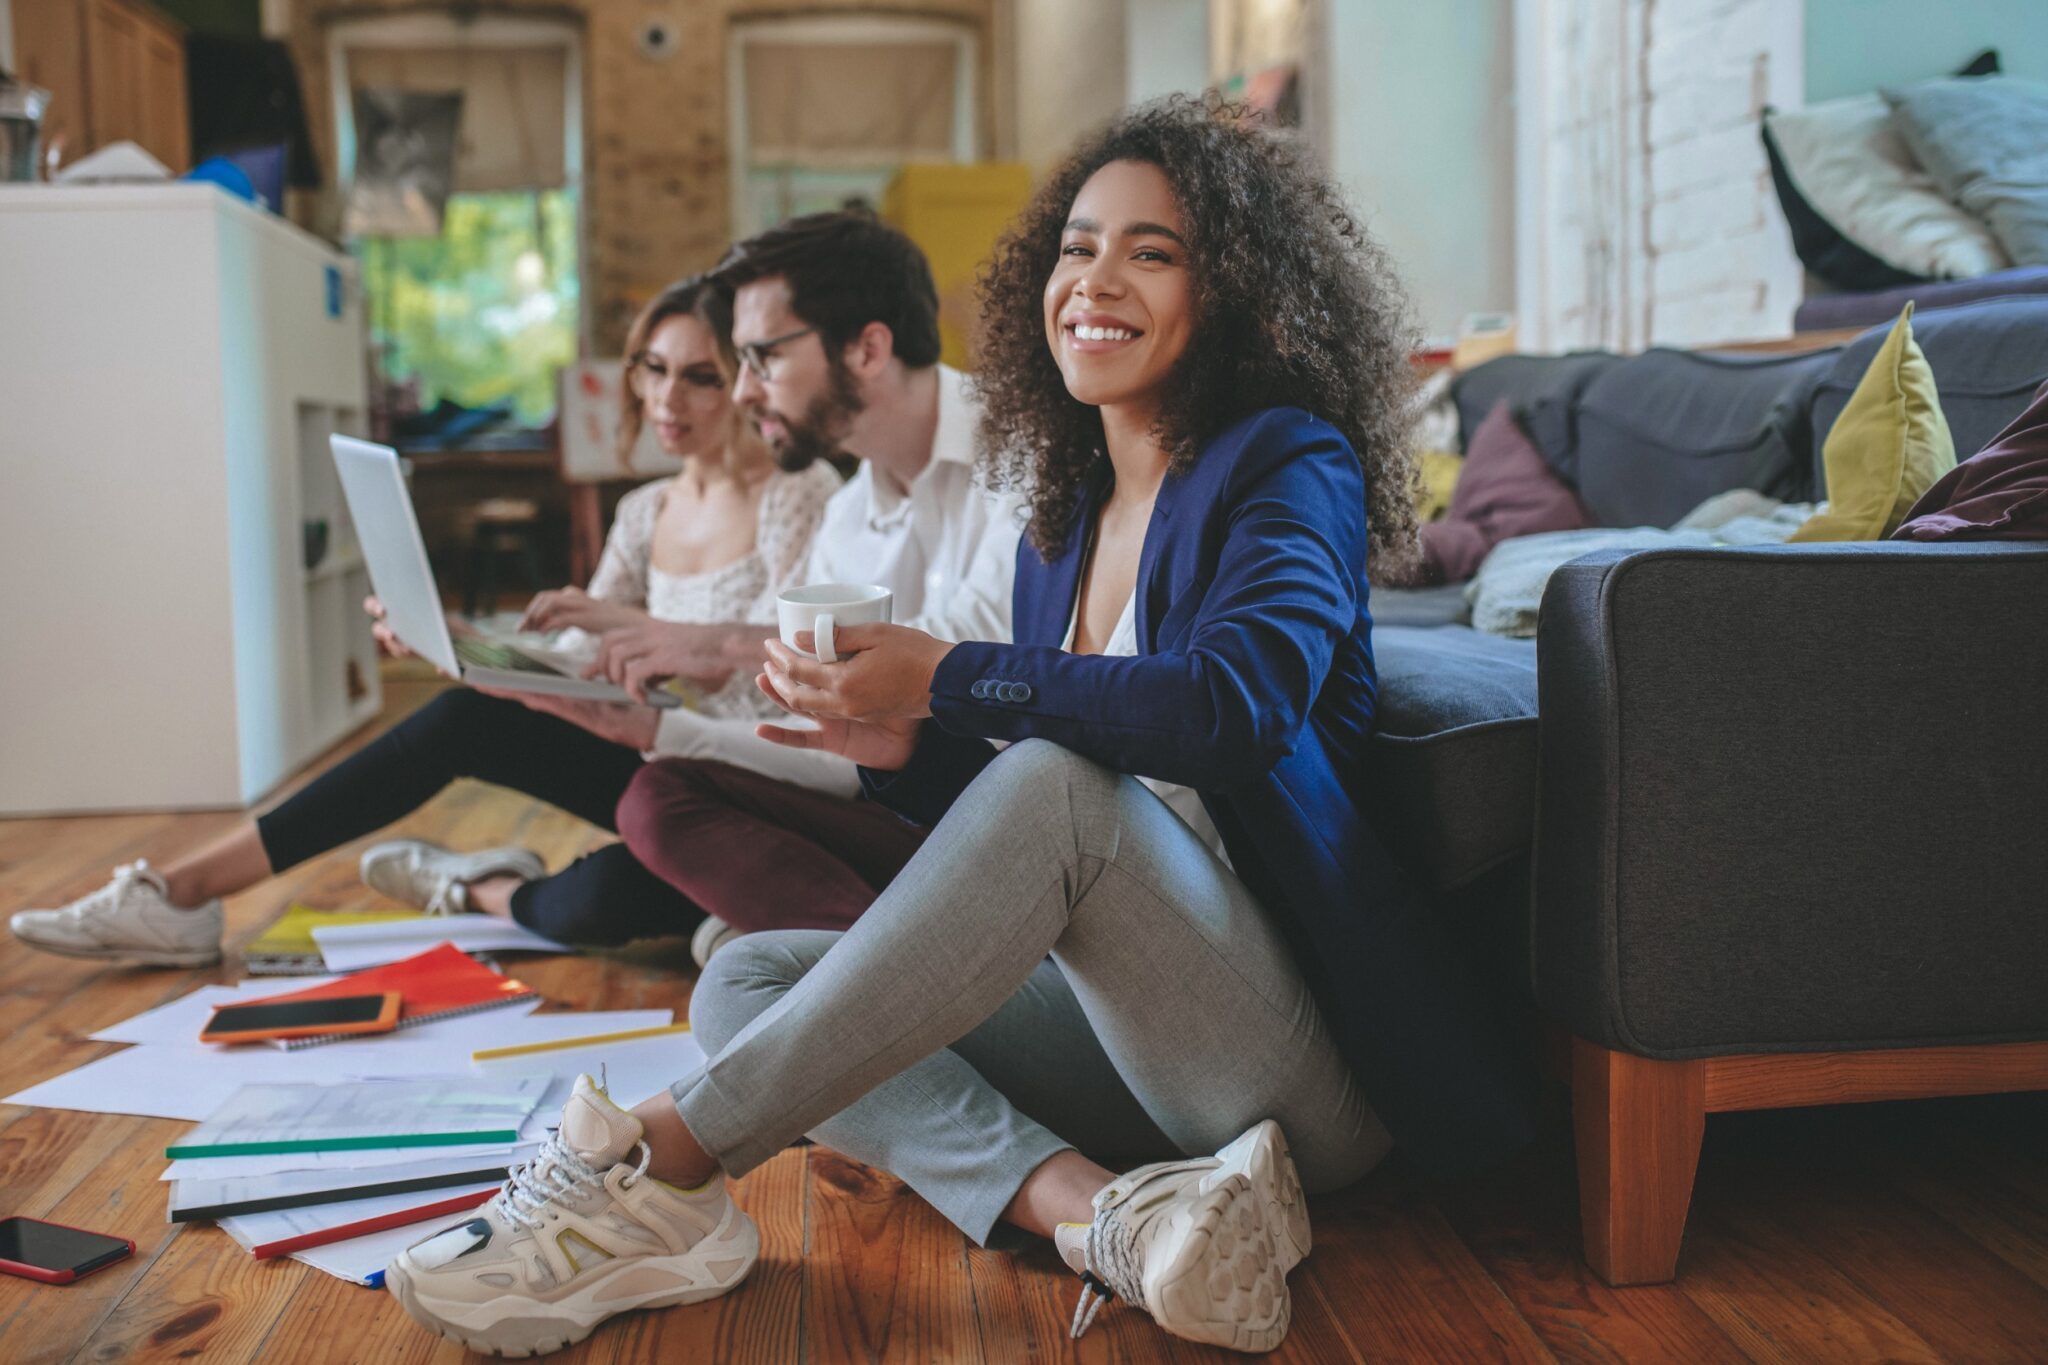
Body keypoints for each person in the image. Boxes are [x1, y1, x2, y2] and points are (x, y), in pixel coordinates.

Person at [383, 99, 1534, 1358]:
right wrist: (905, 756)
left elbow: (1228, 714)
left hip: (1301, 1067)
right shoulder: (1065, 513)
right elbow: (1030, 827)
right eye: (1076, 246)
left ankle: (656, 1169)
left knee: (1047, 783)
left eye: (1151, 252)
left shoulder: (1283, 464)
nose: (1093, 282)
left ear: (1240, 291)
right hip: (1137, 1048)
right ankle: (1111, 1217)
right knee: (746, 975)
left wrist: (948, 681)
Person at [9, 274, 846, 964]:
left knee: (593, 901)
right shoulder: (644, 510)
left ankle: (479, 884)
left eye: (699, 375)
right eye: (652, 369)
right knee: (461, 712)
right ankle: (179, 894)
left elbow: (803, 677)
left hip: (757, 783)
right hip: (659, 759)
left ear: (740, 381)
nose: (669, 397)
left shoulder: (798, 498)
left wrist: (635, 628)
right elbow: (577, 653)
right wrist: (458, 643)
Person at [585, 210, 1025, 965]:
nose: (744, 391)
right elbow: (835, 748)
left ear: (867, 347)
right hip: (904, 821)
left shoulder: (1023, 446)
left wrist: (717, 642)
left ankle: (856, 963)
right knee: (656, 798)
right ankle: (861, 958)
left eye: (760, 358)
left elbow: (963, 644)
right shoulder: (848, 515)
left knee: (636, 867)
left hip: (1021, 822)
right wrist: (660, 734)